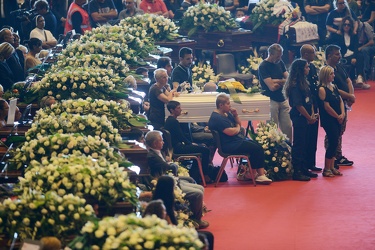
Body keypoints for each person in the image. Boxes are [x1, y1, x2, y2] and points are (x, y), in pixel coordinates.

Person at [145, 135, 209, 229]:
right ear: (155, 143)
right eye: (161, 140)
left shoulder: (158, 151)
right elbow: (170, 167)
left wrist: (170, 164)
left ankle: (192, 214)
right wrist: (172, 164)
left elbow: (168, 165)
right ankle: (197, 219)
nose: (163, 142)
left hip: (172, 178)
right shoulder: (152, 156)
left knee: (195, 183)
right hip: (167, 184)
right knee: (198, 193)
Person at [208, 93, 272, 184]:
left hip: (235, 140)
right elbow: (231, 132)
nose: (230, 106)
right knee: (257, 149)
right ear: (221, 105)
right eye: (228, 104)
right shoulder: (217, 118)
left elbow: (238, 124)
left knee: (257, 146)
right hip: (229, 145)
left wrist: (235, 115)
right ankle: (258, 175)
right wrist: (237, 128)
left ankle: (252, 173)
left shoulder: (226, 114)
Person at [283, 59, 318, 181]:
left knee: (306, 143)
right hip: (300, 117)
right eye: (307, 67)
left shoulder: (304, 82)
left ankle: (304, 168)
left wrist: (312, 115)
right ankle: (297, 171)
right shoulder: (295, 85)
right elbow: (298, 105)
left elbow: (310, 100)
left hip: (307, 117)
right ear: (300, 69)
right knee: (299, 144)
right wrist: (309, 117)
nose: (309, 69)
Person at [164, 100, 212, 182]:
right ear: (172, 110)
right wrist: (191, 144)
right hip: (179, 148)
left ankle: (196, 173)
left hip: (178, 146)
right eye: (178, 108)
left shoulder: (170, 120)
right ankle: (205, 175)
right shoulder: (173, 121)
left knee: (202, 147)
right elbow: (181, 137)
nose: (180, 110)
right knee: (206, 150)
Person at [325, 44, 355, 167]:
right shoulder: (326, 70)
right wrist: (349, 96)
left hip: (343, 104)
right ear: (329, 56)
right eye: (337, 54)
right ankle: (332, 156)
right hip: (334, 104)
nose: (340, 56)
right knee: (333, 132)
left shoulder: (339, 67)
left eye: (339, 54)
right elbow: (334, 88)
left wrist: (351, 96)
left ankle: (338, 155)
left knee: (340, 130)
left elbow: (348, 81)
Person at [258, 43, 292, 141]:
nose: (280, 58)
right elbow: (272, 87)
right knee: (272, 129)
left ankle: (289, 148)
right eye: (278, 56)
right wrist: (282, 81)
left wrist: (277, 80)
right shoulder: (263, 66)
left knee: (288, 128)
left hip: (283, 98)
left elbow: (289, 79)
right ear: (271, 54)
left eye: (281, 55)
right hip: (271, 100)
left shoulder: (280, 63)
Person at [318, 66, 345, 177]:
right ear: (325, 75)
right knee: (333, 141)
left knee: (336, 141)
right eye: (331, 74)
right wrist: (337, 116)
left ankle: (332, 166)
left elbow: (340, 101)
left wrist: (342, 113)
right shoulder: (322, 89)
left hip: (338, 117)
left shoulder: (334, 86)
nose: (333, 76)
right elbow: (326, 107)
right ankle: (327, 168)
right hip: (329, 119)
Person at [330, 16, 370, 89]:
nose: (346, 26)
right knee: (352, 59)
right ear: (342, 25)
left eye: (348, 25)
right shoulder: (338, 36)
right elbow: (334, 47)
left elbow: (356, 48)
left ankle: (359, 77)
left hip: (353, 55)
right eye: (345, 24)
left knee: (360, 56)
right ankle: (353, 80)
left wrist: (354, 57)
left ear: (351, 26)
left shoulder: (354, 36)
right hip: (343, 57)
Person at [300, 44, 323, 173]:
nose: (315, 56)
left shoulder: (312, 67)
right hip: (305, 107)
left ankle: (311, 162)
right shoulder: (299, 67)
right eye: (313, 53)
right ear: (306, 55)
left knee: (313, 136)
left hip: (314, 105)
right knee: (305, 138)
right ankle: (303, 165)